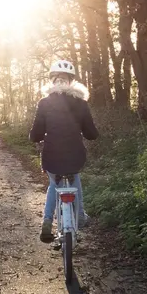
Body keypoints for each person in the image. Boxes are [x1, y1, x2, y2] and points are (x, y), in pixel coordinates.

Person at [29, 60, 99, 243]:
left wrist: (37, 137)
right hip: (75, 155)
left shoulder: (44, 103)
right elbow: (92, 134)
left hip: (51, 155)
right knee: (75, 178)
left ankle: (47, 220)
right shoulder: (81, 103)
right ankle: (81, 216)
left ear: (53, 81)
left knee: (54, 183)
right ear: (71, 81)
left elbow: (35, 134)